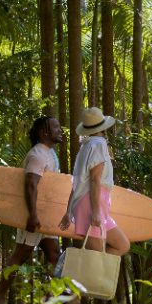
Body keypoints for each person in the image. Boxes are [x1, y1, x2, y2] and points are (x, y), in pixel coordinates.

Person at [0, 116, 64, 304]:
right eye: (56, 127)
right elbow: (30, 184)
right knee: (20, 255)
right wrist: (32, 215)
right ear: (44, 132)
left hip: (45, 216)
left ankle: (52, 301)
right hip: (33, 215)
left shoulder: (50, 153)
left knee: (54, 256)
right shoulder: (37, 155)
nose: (60, 130)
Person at [59, 107, 130, 257]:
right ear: (103, 127)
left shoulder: (86, 146)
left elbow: (78, 182)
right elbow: (94, 179)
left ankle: (90, 270)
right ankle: (82, 271)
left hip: (92, 202)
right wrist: (96, 212)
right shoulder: (98, 145)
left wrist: (68, 210)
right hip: (92, 204)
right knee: (96, 257)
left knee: (122, 245)